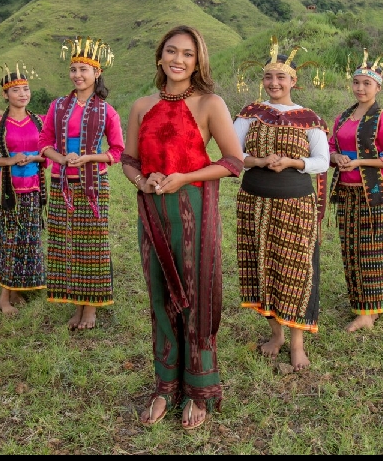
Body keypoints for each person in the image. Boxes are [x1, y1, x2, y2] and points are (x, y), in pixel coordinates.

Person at [121, 24, 243, 431]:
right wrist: (144, 181)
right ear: (159, 56)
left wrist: (184, 178)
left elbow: (232, 162)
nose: (178, 59)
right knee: (159, 294)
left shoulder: (211, 104)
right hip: (153, 208)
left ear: (198, 60)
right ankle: (164, 385)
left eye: (187, 54)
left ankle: (198, 388)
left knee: (197, 295)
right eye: (171, 51)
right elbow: (129, 160)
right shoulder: (141, 105)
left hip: (194, 207)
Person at [234, 41, 329, 370]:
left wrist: (292, 162)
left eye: (281, 78)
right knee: (264, 268)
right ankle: (275, 335)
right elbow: (233, 154)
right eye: (269, 77)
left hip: (295, 204)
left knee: (297, 269)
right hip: (255, 203)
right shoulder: (250, 114)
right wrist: (259, 160)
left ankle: (297, 343)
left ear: (293, 83)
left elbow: (322, 161)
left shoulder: (309, 119)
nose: (274, 83)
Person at [40, 38, 125, 331]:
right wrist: (61, 158)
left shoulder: (106, 110)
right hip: (62, 184)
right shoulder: (57, 106)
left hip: (93, 185)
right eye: (74, 69)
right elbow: (44, 142)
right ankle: (76, 305)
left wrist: (90, 156)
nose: (78, 75)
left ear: (96, 73)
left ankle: (90, 309)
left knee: (91, 246)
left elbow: (117, 151)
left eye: (84, 70)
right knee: (67, 245)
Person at [329, 50, 383, 332]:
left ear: (378, 87)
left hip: (374, 193)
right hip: (348, 192)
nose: (361, 88)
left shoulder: (382, 118)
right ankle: (361, 302)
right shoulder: (343, 117)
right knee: (352, 249)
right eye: (356, 82)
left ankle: (369, 312)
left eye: (367, 84)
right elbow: (331, 146)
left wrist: (359, 161)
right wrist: (336, 158)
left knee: (373, 250)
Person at [0, 64, 48, 314]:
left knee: (25, 240)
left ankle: (15, 289)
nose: (23, 94)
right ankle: (4, 298)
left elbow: (46, 155)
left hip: (32, 190)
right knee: (8, 241)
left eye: (26, 89)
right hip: (2, 192)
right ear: (5, 95)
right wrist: (9, 161)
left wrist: (33, 158)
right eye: (16, 90)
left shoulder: (41, 122)